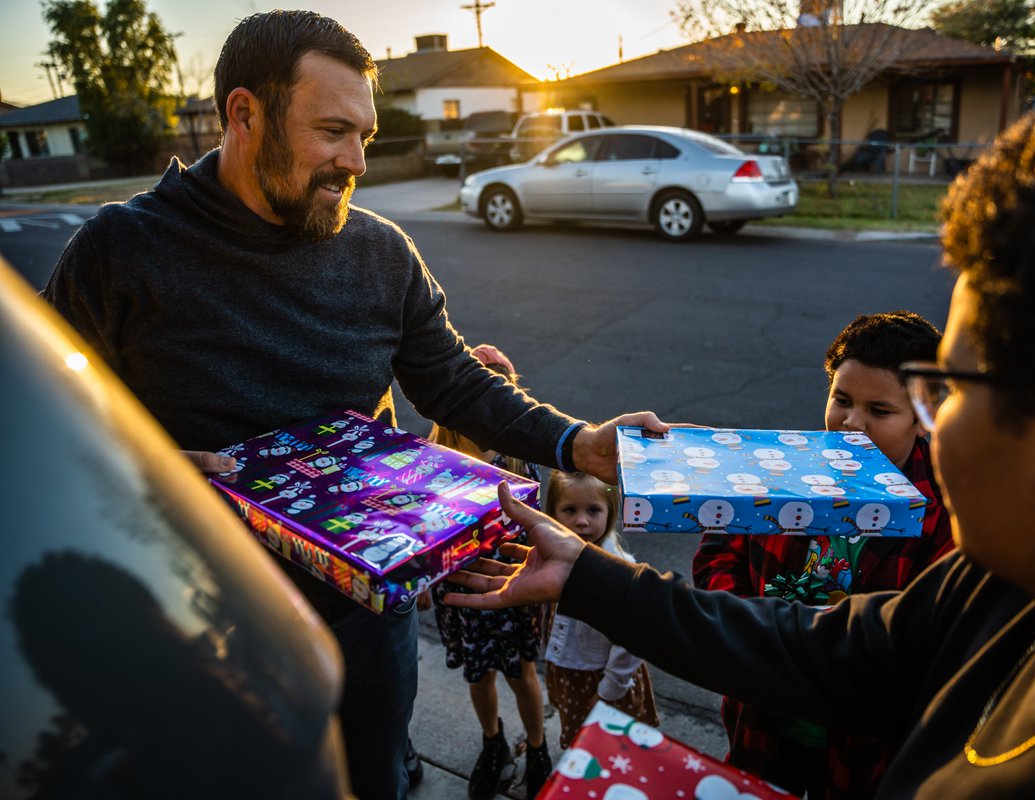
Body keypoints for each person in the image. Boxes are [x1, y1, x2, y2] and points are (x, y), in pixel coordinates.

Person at [444, 76, 1035, 797]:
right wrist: (586, 574)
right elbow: (827, 650)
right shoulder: (1001, 588)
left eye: (945, 391)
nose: (925, 423)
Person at [38, 11, 665, 800]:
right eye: (334, 132)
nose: (357, 162)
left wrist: (579, 443)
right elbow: (34, 413)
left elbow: (454, 382)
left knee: (372, 780)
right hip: (194, 627)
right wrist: (135, 464)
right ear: (243, 114)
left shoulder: (380, 250)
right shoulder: (121, 251)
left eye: (364, 136)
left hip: (366, 617)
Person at [691, 310, 954, 798]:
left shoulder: (941, 516)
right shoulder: (778, 469)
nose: (852, 423)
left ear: (924, 417)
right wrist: (748, 632)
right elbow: (718, 551)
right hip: (762, 718)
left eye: (880, 410)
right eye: (842, 400)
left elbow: (930, 642)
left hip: (863, 748)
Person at [421, 343, 553, 800]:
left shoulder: (520, 463)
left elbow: (543, 533)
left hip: (513, 587)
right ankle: (493, 741)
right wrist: (420, 579)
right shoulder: (433, 458)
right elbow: (419, 529)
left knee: (523, 675)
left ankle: (537, 750)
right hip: (458, 590)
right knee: (478, 675)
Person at [542, 470, 660, 748]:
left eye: (593, 510)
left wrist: (609, 690)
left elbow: (631, 641)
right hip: (572, 669)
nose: (581, 521)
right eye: (569, 510)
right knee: (583, 748)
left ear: (610, 513)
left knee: (613, 748)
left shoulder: (618, 568)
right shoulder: (556, 555)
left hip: (603, 678)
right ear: (553, 513)